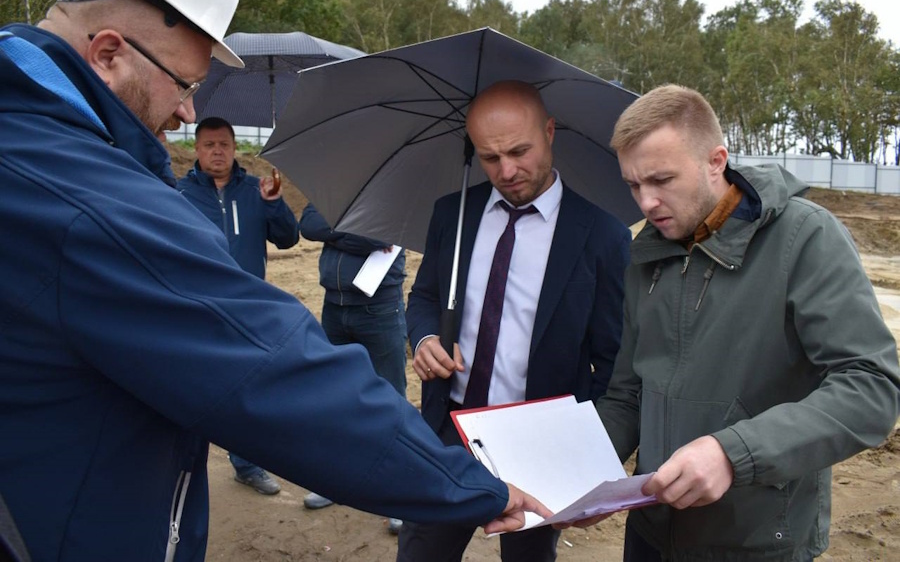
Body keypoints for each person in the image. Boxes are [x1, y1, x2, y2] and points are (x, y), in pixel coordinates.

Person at [0, 0, 552, 561]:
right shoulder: (86, 197)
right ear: (109, 53)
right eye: (185, 86)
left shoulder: (30, 142)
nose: (189, 114)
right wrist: (465, 484)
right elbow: (271, 369)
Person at [591, 84, 900, 561]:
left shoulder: (806, 238)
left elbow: (871, 387)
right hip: (651, 535)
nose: (646, 203)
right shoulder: (646, 255)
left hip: (757, 543)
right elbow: (628, 394)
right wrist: (586, 473)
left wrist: (732, 453)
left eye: (661, 179)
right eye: (633, 185)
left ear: (716, 160)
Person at [398, 80, 632, 562]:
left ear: (550, 132)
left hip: (541, 443)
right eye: (489, 157)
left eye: (520, 151)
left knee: (527, 557)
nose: (507, 170)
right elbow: (423, 296)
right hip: (450, 428)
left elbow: (613, 361)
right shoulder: (452, 213)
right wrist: (423, 338)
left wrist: (590, 455)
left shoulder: (603, 236)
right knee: (422, 552)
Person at [177, 116, 300, 496]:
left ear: (235, 149)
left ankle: (247, 465)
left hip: (248, 310)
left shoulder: (255, 190)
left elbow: (288, 239)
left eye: (224, 145)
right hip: (198, 309)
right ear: (196, 149)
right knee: (191, 390)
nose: (217, 151)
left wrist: (275, 204)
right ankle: (183, 466)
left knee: (247, 391)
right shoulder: (178, 194)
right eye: (209, 144)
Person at [298, 202, 408, 533]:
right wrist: (352, 230)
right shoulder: (336, 183)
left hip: (379, 309)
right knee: (337, 396)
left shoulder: (397, 187)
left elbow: (383, 235)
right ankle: (336, 481)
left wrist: (334, 232)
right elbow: (309, 227)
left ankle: (398, 493)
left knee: (390, 398)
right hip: (334, 306)